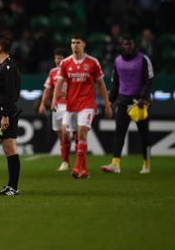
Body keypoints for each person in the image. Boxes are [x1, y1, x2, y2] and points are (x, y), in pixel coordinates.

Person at [52, 34, 113, 179]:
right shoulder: (65, 63)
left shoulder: (93, 62)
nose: (75, 45)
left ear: (84, 44)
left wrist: (107, 104)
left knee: (81, 133)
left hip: (87, 104)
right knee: (68, 134)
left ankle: (77, 167)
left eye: (78, 42)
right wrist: (54, 99)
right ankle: (84, 170)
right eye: (72, 42)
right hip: (70, 105)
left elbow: (101, 84)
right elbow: (59, 83)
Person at [100, 36, 154, 174]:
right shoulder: (117, 61)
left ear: (134, 45)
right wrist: (110, 101)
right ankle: (115, 164)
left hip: (139, 103)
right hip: (123, 101)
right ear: (122, 46)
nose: (128, 47)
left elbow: (149, 80)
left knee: (144, 134)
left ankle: (146, 165)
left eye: (130, 44)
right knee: (119, 133)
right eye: (125, 44)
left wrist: (143, 98)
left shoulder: (143, 59)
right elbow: (115, 83)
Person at [0, 35, 21, 195]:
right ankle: (11, 185)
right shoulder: (4, 66)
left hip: (7, 112)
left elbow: (9, 94)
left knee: (10, 147)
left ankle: (13, 187)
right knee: (7, 147)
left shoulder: (7, 67)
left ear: (0, 48)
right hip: (4, 111)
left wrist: (5, 115)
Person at [38, 48, 72, 171]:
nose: (58, 60)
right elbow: (47, 89)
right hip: (56, 106)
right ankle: (66, 161)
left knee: (65, 132)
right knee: (60, 134)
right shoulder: (53, 72)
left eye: (61, 58)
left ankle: (67, 161)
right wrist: (42, 104)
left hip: (69, 106)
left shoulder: (71, 70)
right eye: (56, 58)